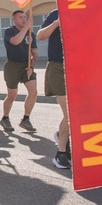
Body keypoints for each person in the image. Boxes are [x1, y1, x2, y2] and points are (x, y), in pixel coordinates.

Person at [38, 9, 70, 169]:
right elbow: (40, 36)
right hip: (58, 66)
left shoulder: (84, 10)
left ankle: (63, 134)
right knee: (70, 112)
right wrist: (57, 22)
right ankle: (61, 153)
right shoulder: (55, 13)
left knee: (80, 113)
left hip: (78, 67)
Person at [1, 9, 38, 132]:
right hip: (13, 66)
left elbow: (35, 51)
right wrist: (26, 27)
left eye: (25, 17)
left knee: (33, 92)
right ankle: (5, 118)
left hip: (26, 66)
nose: (24, 19)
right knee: (12, 94)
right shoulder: (9, 31)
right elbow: (16, 41)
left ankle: (26, 119)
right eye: (21, 17)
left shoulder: (30, 33)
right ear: (14, 19)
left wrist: (32, 64)